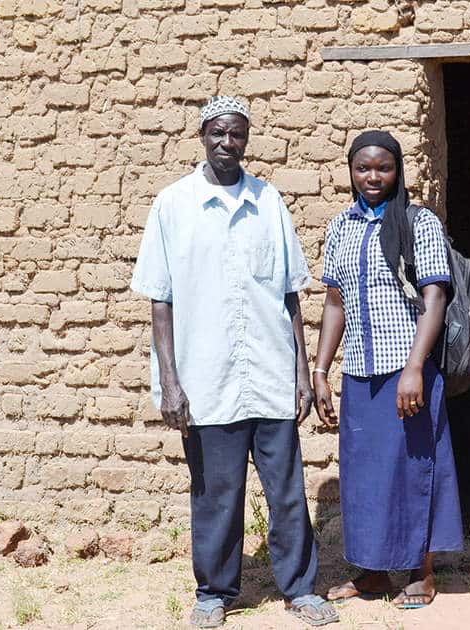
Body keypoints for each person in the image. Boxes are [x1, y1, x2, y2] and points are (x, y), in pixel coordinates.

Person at [129, 95, 338, 628]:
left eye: (238, 134)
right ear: (203, 136)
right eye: (219, 133)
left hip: (269, 375)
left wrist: (300, 373)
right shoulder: (172, 205)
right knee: (216, 495)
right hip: (206, 381)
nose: (228, 143)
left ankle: (301, 590)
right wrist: (169, 383)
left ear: (247, 139)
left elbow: (291, 295)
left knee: (288, 493)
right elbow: (160, 301)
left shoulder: (269, 202)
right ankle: (215, 592)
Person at [312, 130, 464, 609]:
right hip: (360, 372)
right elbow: (334, 303)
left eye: (383, 167)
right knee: (365, 475)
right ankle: (373, 572)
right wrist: (320, 370)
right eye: (363, 168)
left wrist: (415, 367)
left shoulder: (418, 223)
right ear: (351, 172)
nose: (372, 177)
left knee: (414, 468)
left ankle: (420, 573)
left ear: (398, 171)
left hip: (407, 370)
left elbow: (434, 298)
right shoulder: (341, 226)